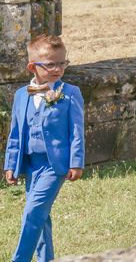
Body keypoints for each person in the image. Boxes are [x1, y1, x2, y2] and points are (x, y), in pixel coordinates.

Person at [4, 34, 85, 262]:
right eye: (50, 64)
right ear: (33, 67)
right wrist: (11, 165)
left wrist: (76, 163)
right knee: (42, 215)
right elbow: (16, 134)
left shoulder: (70, 93)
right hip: (31, 164)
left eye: (62, 63)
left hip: (55, 164)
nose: (58, 68)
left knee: (32, 212)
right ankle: (46, 258)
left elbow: (76, 131)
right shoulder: (21, 95)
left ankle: (19, 259)